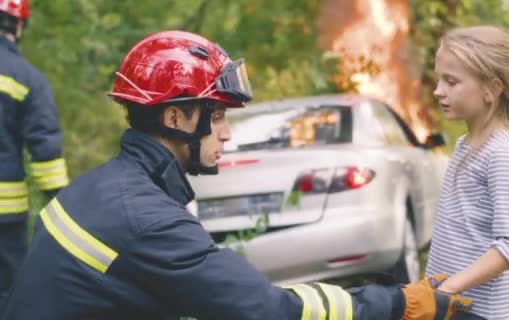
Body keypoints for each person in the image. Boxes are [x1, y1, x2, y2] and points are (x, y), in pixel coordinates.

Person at [1, 30, 471, 320]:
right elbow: (267, 311)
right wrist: (397, 304)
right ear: (178, 118)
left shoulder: (105, 186)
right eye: (219, 117)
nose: (227, 134)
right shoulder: (147, 217)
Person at [425, 25, 509, 320]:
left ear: (491, 89)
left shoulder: (503, 152)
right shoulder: (467, 143)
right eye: (440, 79)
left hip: (480, 313)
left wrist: (448, 289)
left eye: (451, 81)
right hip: (452, 307)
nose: (439, 91)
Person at [0, 0, 69, 307]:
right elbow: (46, 153)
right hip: (5, 216)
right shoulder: (27, 79)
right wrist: (59, 209)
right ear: (18, 25)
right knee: (9, 294)